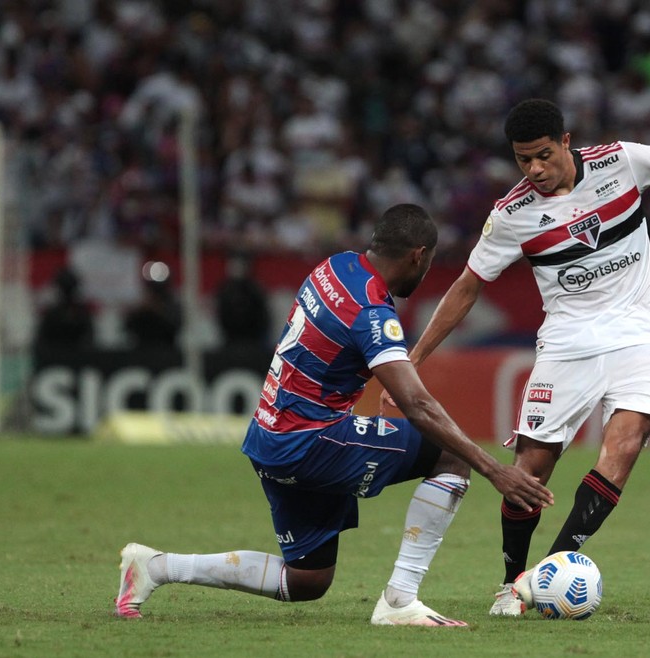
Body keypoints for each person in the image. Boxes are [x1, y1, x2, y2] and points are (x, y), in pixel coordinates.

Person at [381, 99, 650, 616]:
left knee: (626, 443)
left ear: (567, 141)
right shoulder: (511, 214)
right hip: (566, 343)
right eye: (522, 159)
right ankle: (510, 582)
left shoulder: (621, 162)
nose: (534, 169)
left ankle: (547, 573)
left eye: (543, 155)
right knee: (531, 467)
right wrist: (414, 357)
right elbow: (467, 286)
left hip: (636, 333)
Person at [114, 203, 553, 626]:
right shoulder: (370, 308)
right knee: (451, 456)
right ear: (419, 256)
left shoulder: (335, 266)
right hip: (309, 439)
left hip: (269, 436)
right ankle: (400, 599)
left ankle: (155, 567)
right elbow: (418, 405)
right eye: (428, 262)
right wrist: (497, 470)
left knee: (307, 579)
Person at [34, 266, 95, 349]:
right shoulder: (52, 314)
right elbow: (41, 344)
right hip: (55, 358)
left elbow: (89, 342)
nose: (67, 293)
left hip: (77, 358)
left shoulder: (82, 313)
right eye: (64, 288)